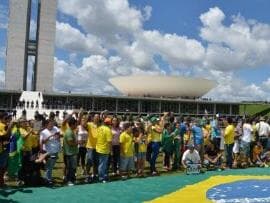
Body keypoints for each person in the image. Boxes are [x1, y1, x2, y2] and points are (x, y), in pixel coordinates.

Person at [39, 119, 61, 185]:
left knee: (51, 166)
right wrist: (50, 136)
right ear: (46, 125)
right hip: (48, 151)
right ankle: (48, 180)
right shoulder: (43, 132)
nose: (52, 125)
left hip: (55, 150)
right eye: (50, 124)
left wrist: (58, 136)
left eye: (52, 123)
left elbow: (59, 134)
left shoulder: (55, 128)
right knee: (49, 166)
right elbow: (42, 142)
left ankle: (48, 179)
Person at [96, 117, 112, 183]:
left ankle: (103, 176)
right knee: (103, 164)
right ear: (109, 124)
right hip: (104, 149)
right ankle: (101, 177)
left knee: (102, 164)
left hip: (99, 148)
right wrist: (111, 150)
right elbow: (109, 141)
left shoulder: (99, 128)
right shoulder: (108, 130)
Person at [63, 117, 78, 186]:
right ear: (72, 124)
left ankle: (71, 179)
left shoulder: (71, 131)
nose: (76, 125)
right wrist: (78, 142)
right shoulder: (69, 132)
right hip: (69, 153)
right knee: (70, 168)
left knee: (72, 168)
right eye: (75, 124)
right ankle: (69, 180)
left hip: (72, 152)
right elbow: (70, 143)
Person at [85, 114, 99, 183]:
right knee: (89, 161)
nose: (97, 118)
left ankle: (94, 175)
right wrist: (83, 114)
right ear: (93, 118)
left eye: (98, 117)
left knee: (96, 162)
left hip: (97, 147)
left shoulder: (100, 126)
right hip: (90, 146)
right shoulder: (89, 124)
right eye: (95, 117)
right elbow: (84, 124)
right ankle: (87, 175)